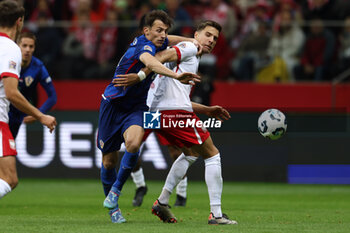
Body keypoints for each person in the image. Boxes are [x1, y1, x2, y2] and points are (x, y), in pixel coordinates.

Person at [113, 20, 237, 225]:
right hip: (173, 113)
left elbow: (176, 93)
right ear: (196, 34)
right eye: (207, 34)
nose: (211, 40)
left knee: (191, 152)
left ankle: (161, 201)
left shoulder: (188, 54)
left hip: (154, 112)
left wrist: (206, 110)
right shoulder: (189, 47)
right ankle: (216, 214)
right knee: (212, 154)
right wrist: (140, 75)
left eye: (215, 38)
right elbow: (161, 56)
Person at [97, 9, 200, 224]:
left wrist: (191, 39)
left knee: (133, 144)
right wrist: (176, 75)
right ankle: (113, 207)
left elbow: (170, 39)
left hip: (136, 107)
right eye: (158, 31)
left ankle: (116, 191)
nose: (163, 35)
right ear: (146, 31)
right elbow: (151, 63)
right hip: (112, 106)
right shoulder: (141, 47)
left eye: (164, 31)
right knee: (108, 162)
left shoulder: (158, 40)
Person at [0, 0, 56, 200]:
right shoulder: (10, 47)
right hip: (0, 120)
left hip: (6, 119)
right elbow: (11, 93)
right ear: (19, 21)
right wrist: (41, 116)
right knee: (9, 178)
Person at [8, 32, 57, 138]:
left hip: (18, 116)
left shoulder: (38, 67)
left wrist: (38, 114)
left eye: (31, 46)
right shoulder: (8, 62)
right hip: (3, 110)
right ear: (17, 46)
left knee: (8, 149)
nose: (28, 50)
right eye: (24, 46)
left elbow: (52, 97)